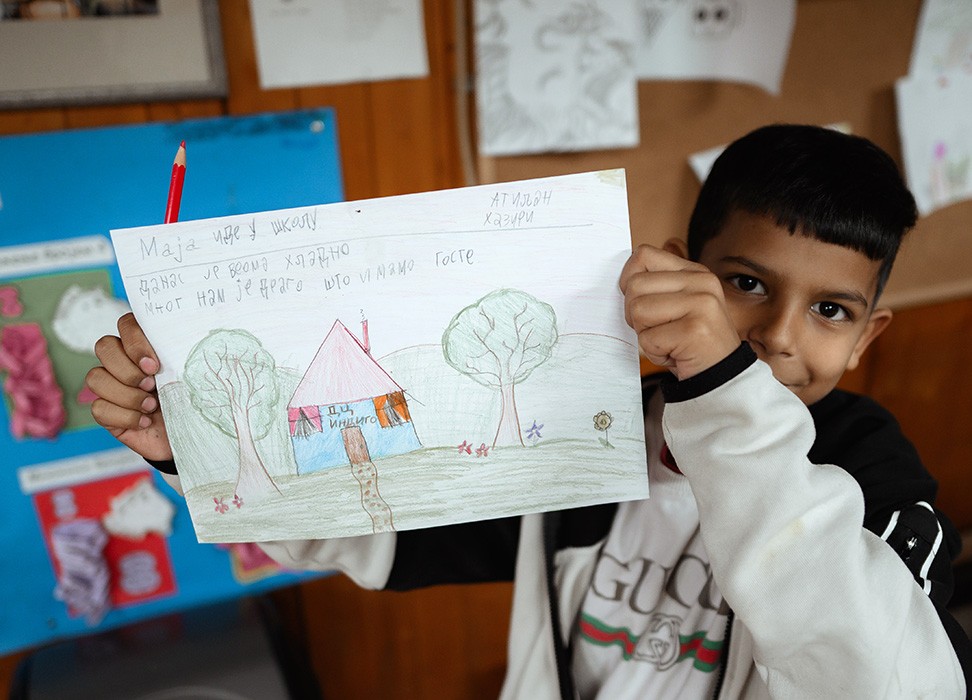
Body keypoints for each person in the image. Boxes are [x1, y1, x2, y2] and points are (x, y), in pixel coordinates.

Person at [87, 124, 971, 698]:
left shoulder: (869, 468)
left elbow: (886, 680)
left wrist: (727, 392)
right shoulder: (588, 423)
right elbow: (384, 534)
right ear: (678, 270)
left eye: (830, 311)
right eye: (745, 284)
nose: (778, 337)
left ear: (865, 336)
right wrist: (193, 454)